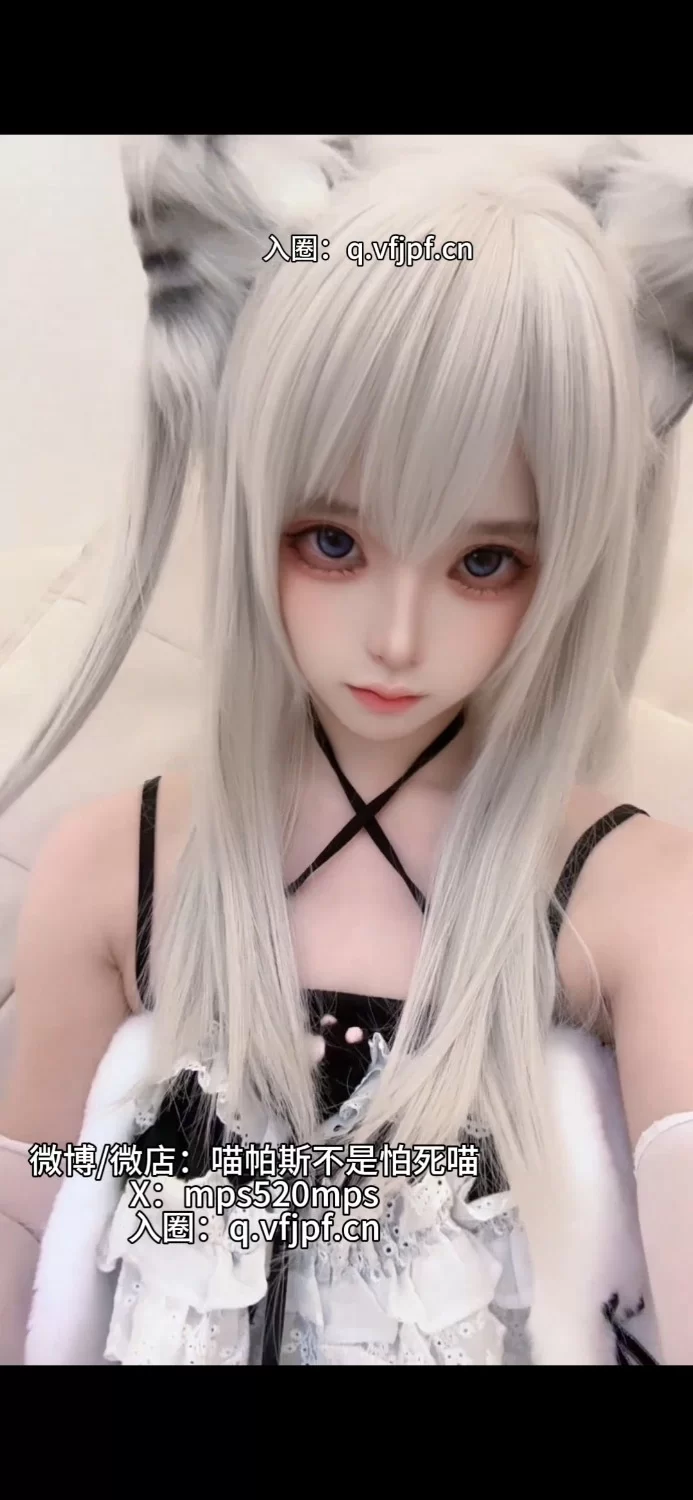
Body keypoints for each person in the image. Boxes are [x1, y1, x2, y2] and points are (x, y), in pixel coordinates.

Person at [1, 133, 693, 1365]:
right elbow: (22, 1243)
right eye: (333, 542)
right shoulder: (117, 869)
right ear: (253, 507)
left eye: (486, 561)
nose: (397, 636)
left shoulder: (633, 902)